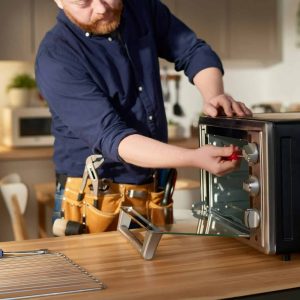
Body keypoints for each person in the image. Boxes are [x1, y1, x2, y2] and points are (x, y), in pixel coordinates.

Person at [35, 0, 252, 229]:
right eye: (83, 2)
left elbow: (193, 51)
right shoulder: (56, 56)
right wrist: (193, 158)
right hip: (95, 200)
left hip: (153, 191)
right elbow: (114, 138)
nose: (101, 8)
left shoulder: (141, 8)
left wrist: (213, 96)